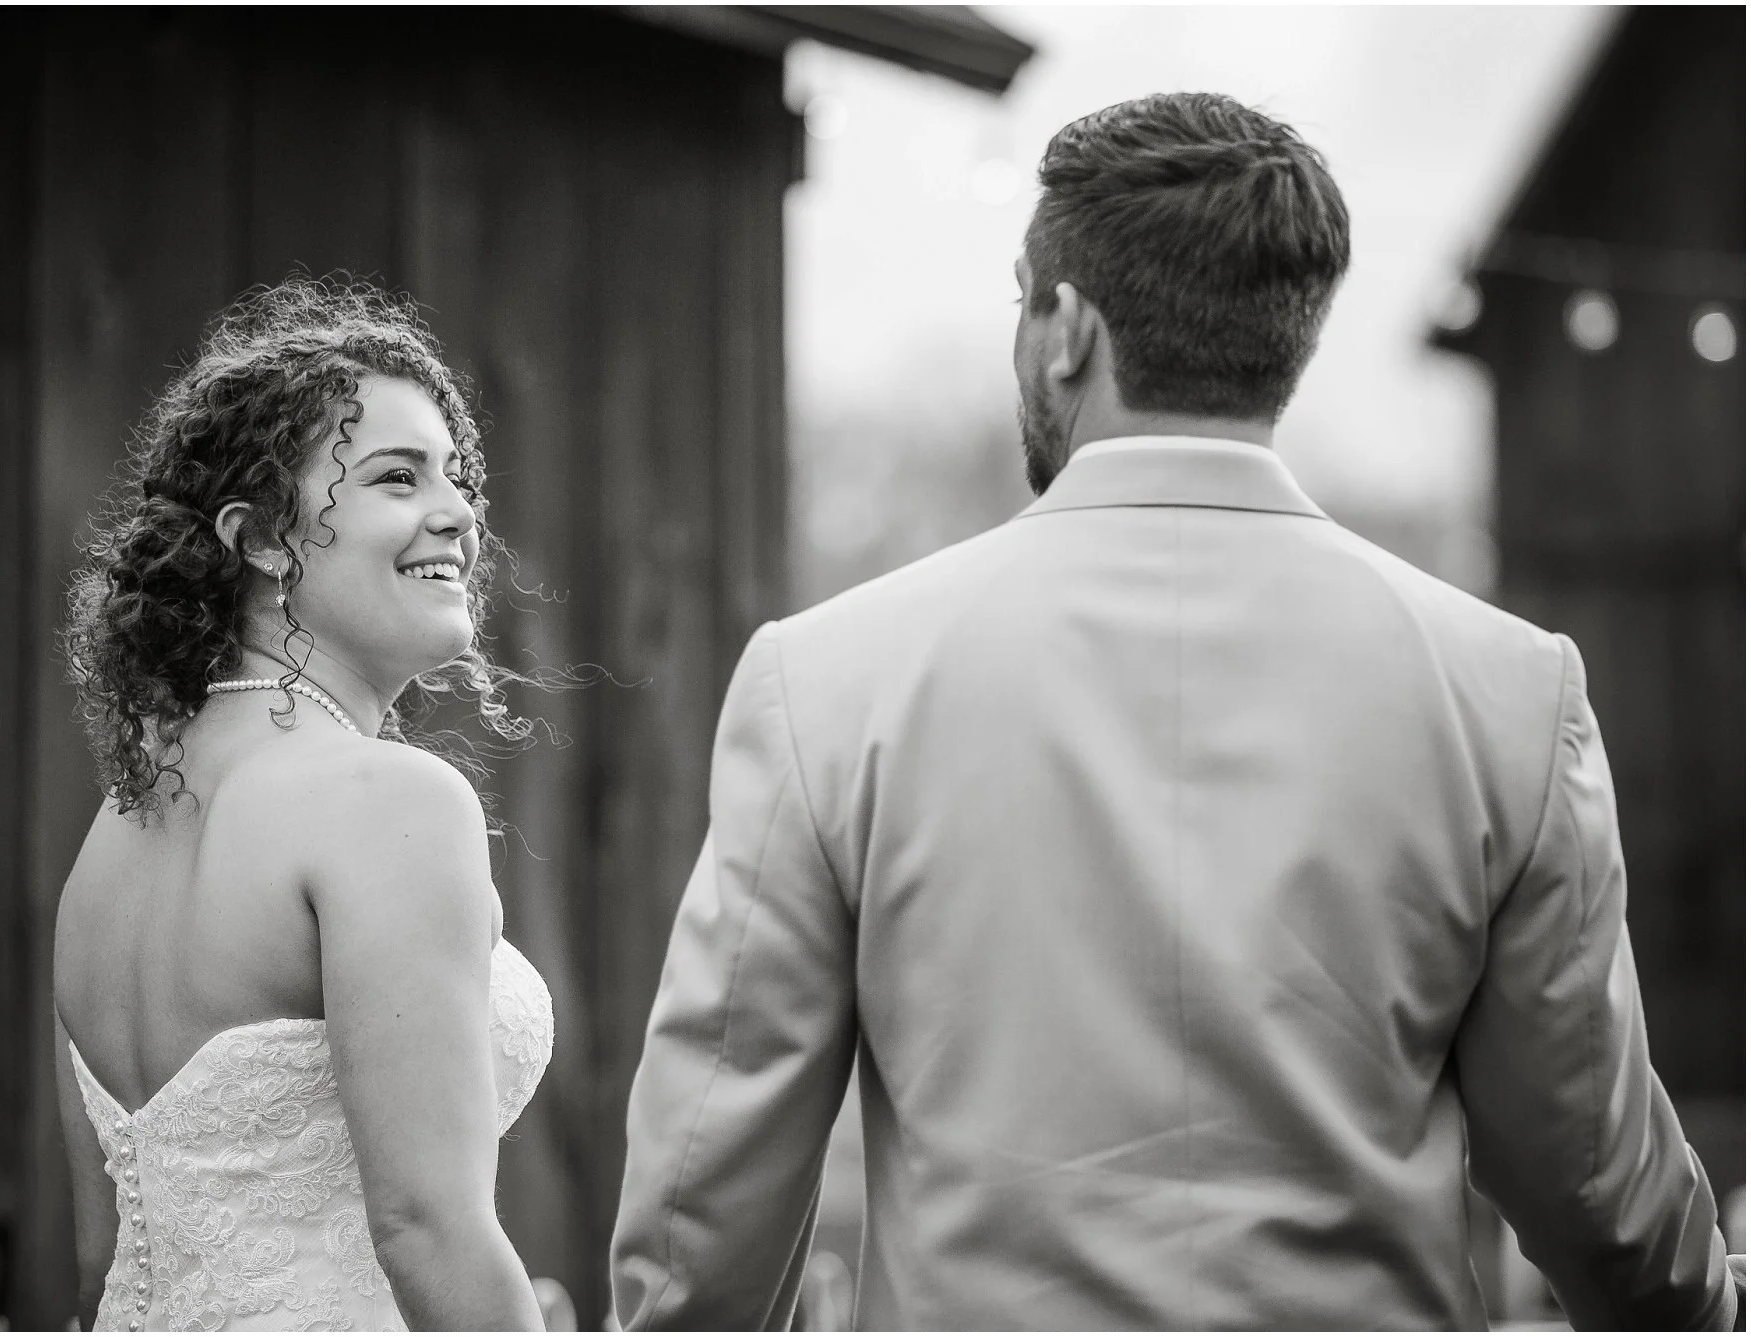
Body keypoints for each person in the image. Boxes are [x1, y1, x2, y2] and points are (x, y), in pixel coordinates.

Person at [610, 93, 1741, 1329]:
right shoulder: (1507, 689)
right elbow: (1599, 1193)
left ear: (1065, 330)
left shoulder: (828, 678)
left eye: (1020, 302)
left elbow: (702, 1215)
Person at [54, 279, 551, 1331]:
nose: (459, 512)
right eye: (397, 477)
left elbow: (100, 1253)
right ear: (264, 539)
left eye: (456, 475)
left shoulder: (124, 822)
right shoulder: (388, 800)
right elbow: (432, 1230)